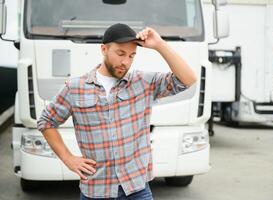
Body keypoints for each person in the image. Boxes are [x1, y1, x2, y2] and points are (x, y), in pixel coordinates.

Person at [37, 23, 197, 200]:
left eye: (131, 56)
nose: (125, 62)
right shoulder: (76, 88)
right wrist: (68, 158)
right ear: (104, 49)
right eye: (120, 54)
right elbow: (46, 122)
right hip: (96, 191)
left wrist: (160, 45)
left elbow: (188, 79)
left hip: (137, 190)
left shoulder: (143, 82)